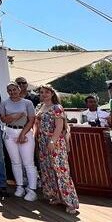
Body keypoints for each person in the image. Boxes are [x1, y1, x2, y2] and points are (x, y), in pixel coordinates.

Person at [35, 84, 79, 214]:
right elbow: (36, 125)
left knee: (61, 170)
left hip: (55, 141)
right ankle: (56, 196)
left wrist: (52, 141)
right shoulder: (39, 107)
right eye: (42, 92)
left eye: (47, 92)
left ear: (52, 94)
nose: (44, 94)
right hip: (42, 142)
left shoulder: (57, 108)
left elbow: (59, 127)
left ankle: (70, 202)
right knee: (48, 170)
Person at [0, 82, 38, 201]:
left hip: (25, 133)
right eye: (9, 90)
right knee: (15, 162)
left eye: (14, 89)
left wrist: (22, 134)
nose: (12, 92)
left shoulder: (27, 103)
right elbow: (3, 119)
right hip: (10, 133)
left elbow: (31, 120)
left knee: (28, 163)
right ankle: (20, 186)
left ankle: (32, 189)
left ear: (19, 89)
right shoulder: (4, 103)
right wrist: (16, 116)